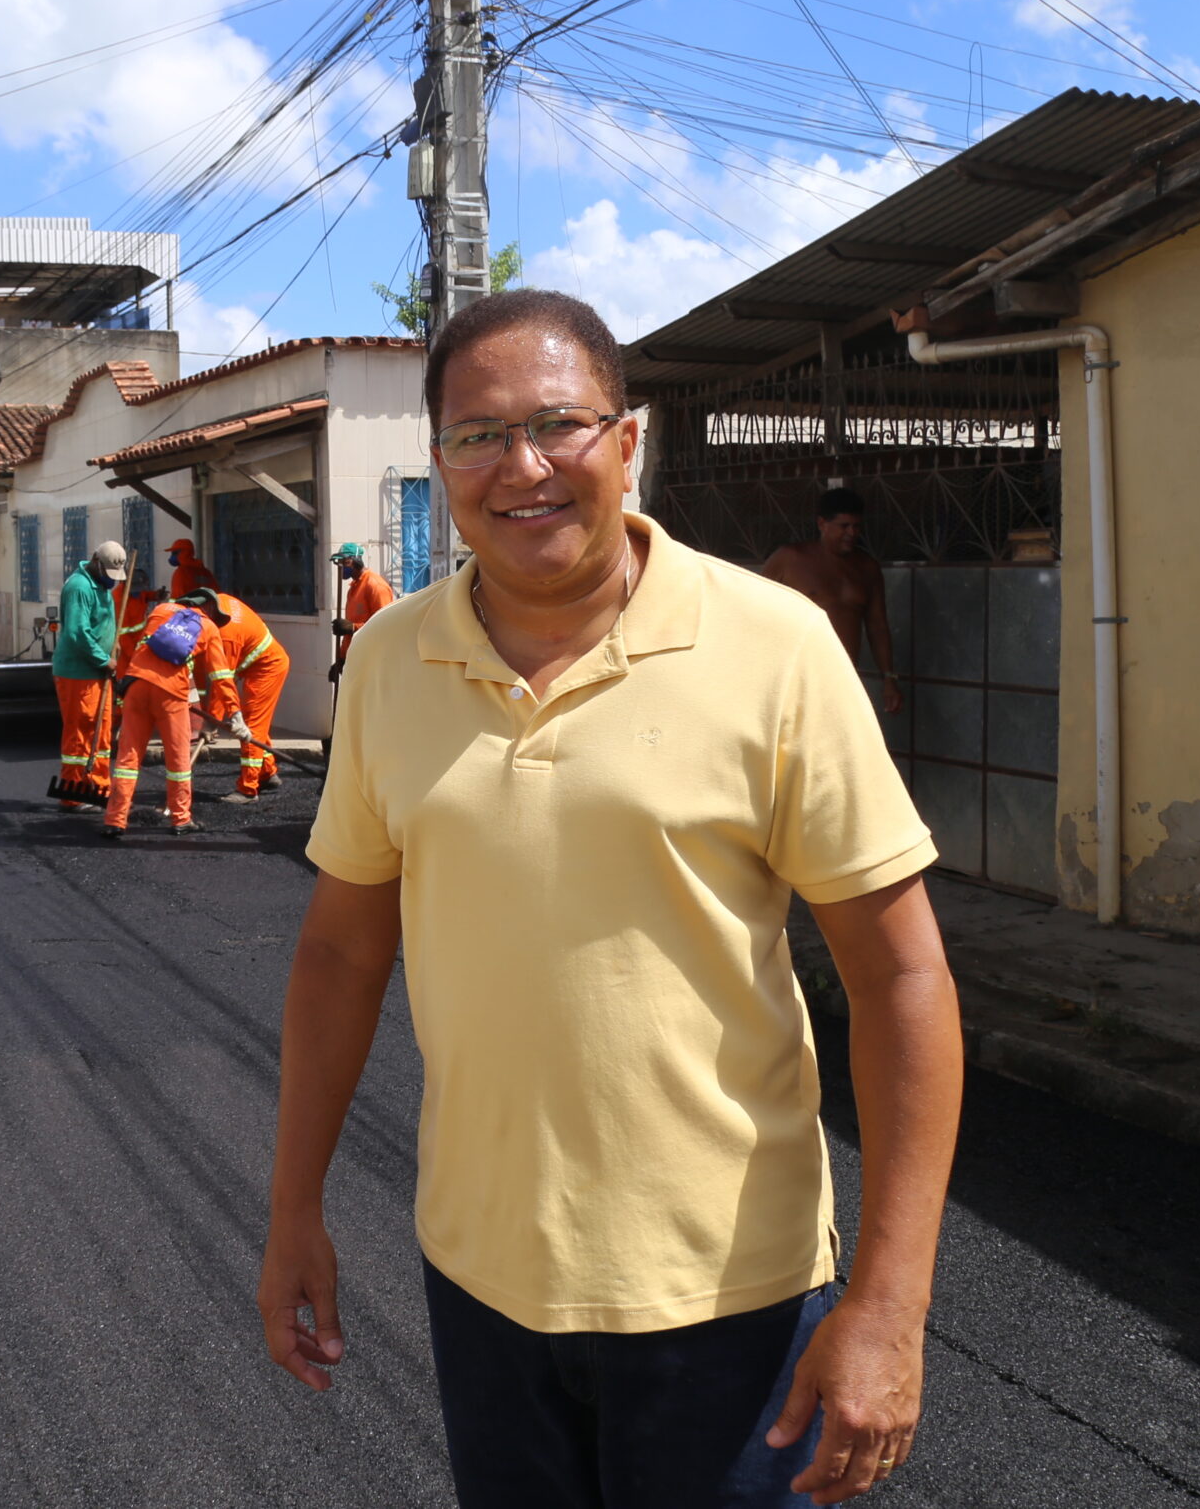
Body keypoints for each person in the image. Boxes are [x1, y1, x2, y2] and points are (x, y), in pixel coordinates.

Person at [259, 288, 962, 1509]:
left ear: (627, 440)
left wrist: (891, 1308)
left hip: (728, 1298)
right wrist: (292, 1208)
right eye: (477, 435)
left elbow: (901, 973)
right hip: (481, 1286)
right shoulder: (387, 662)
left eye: (559, 425)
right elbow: (337, 957)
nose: (520, 467)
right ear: (439, 463)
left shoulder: (775, 645)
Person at [103, 588, 238, 839]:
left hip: (136, 686)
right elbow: (220, 675)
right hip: (170, 693)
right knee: (177, 760)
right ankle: (181, 819)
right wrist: (235, 713)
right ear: (208, 608)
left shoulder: (160, 610)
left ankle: (115, 819)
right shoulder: (208, 627)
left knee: (128, 759)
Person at [763, 488, 903, 714]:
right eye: (844, 526)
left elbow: (877, 626)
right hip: (795, 675)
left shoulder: (867, 568)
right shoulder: (790, 559)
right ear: (822, 523)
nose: (852, 533)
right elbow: (759, 610)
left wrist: (889, 677)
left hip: (844, 676)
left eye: (856, 526)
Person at [51, 539, 128, 809]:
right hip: (78, 673)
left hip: (97, 671)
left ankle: (98, 787)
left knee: (101, 730)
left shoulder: (101, 584)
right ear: (96, 563)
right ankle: (73, 794)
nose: (113, 581)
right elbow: (76, 633)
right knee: (81, 733)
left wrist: (113, 645)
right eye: (109, 574)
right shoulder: (79, 587)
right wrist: (103, 659)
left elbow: (102, 623)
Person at [210, 588, 290, 803]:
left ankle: (248, 788)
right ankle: (268, 773)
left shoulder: (226, 638)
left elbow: (223, 682)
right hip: (259, 664)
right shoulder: (221, 601)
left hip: (267, 669)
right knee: (258, 725)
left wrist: (211, 723)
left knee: (251, 726)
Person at [330, 541, 395, 658]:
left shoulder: (375, 586)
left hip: (370, 660)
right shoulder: (354, 588)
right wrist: (341, 658)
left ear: (355, 561)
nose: (341, 567)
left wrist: (353, 628)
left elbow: (385, 626)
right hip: (355, 658)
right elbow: (348, 636)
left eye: (344, 562)